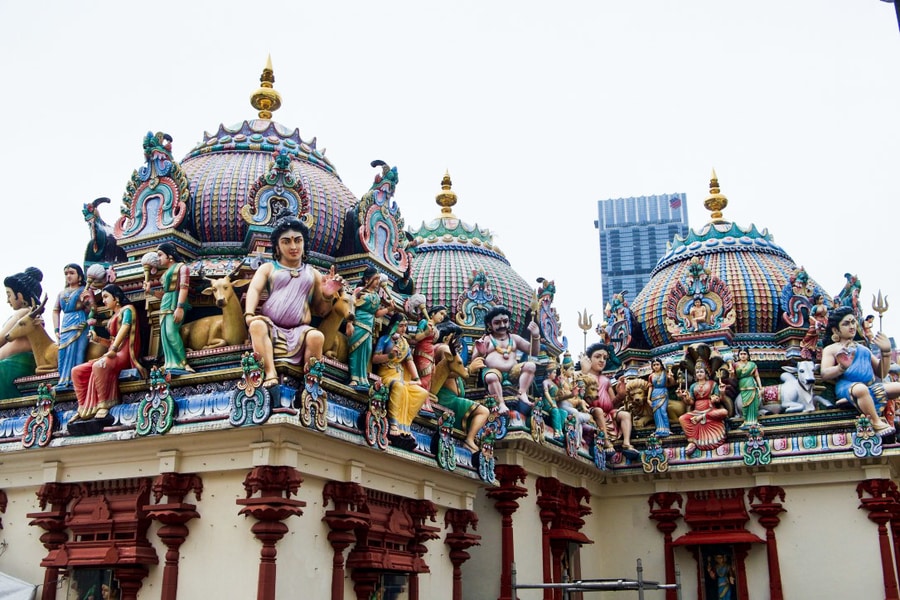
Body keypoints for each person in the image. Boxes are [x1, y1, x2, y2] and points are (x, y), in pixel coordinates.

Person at [243, 214, 342, 387]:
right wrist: (250, 314)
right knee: (256, 326)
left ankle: (310, 386)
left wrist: (328, 294)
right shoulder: (268, 268)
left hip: (300, 331)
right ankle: (270, 373)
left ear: (304, 243)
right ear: (277, 246)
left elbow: (322, 311)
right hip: (271, 326)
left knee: (317, 337)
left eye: (298, 240)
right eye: (286, 241)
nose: (293, 246)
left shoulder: (313, 274)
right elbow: (254, 289)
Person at [820, 306, 900, 437]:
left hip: (869, 386)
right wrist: (841, 367)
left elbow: (881, 373)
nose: (851, 326)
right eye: (846, 324)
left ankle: (864, 402)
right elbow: (824, 373)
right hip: (847, 386)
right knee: (860, 389)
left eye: (853, 322)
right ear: (836, 330)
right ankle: (876, 422)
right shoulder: (832, 349)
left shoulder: (863, 349)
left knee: (897, 387)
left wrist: (886, 352)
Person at [70, 285, 145, 422]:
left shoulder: (127, 310)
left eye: (106, 297)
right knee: (76, 371)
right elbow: (111, 341)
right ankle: (84, 408)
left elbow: (125, 328)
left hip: (123, 354)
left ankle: (104, 404)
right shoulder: (112, 317)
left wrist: (114, 349)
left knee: (99, 366)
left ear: (116, 298)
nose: (103, 301)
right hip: (113, 352)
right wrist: (97, 339)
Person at [470, 306, 540, 414]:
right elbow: (474, 361)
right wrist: (480, 352)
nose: (502, 325)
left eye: (505, 321)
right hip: (494, 371)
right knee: (491, 376)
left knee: (531, 366)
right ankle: (501, 403)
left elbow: (533, 351)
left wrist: (535, 336)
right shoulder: (487, 339)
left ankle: (522, 393)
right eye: (497, 323)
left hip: (513, 372)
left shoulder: (514, 338)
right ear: (490, 325)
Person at [431, 324, 490, 452]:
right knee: (483, 411)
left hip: (451, 398)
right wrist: (469, 369)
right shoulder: (443, 348)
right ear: (448, 338)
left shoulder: (443, 348)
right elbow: (446, 369)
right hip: (446, 398)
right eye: (457, 339)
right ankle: (469, 440)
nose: (459, 343)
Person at [372, 313, 429, 442]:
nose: (403, 329)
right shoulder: (385, 340)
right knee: (398, 386)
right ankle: (393, 424)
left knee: (422, 393)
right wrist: (389, 357)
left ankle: (405, 427)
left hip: (401, 377)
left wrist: (416, 379)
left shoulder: (404, 343)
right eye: (401, 326)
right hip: (386, 375)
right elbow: (375, 359)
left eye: (405, 326)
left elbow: (410, 361)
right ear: (394, 326)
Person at [144, 243, 193, 373]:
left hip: (175, 304)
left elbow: (184, 288)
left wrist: (180, 307)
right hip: (165, 305)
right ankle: (169, 363)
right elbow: (165, 294)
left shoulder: (182, 268)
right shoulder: (165, 274)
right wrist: (151, 292)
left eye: (160, 255)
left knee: (171, 333)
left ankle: (183, 363)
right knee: (164, 335)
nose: (158, 258)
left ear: (170, 256)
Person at [580, 342, 635, 452]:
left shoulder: (606, 380)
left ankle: (626, 443)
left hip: (609, 413)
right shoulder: (583, 375)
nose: (602, 360)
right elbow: (577, 393)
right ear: (588, 359)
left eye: (605, 358)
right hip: (591, 410)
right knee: (599, 411)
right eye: (597, 356)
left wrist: (620, 395)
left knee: (625, 414)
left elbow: (613, 403)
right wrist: (583, 372)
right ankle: (606, 441)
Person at [0, 267, 43, 399]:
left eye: (9, 295)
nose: (8, 300)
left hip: (14, 366)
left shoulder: (24, 313)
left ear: (19, 295)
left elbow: (2, 338)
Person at [347, 266, 391, 390]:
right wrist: (349, 323)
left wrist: (389, 309)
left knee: (366, 352)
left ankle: (363, 379)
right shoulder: (360, 290)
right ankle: (354, 378)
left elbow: (376, 313)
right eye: (376, 278)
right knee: (356, 351)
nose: (378, 282)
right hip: (358, 324)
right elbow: (352, 304)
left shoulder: (376, 296)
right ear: (367, 280)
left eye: (378, 279)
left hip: (369, 328)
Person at [677, 357, 728, 454]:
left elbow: (718, 399)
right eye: (697, 372)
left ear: (706, 373)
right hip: (696, 411)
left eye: (701, 371)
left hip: (709, 410)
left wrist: (721, 393)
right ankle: (692, 441)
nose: (699, 374)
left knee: (724, 412)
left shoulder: (712, 384)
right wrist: (684, 397)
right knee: (682, 419)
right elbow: (691, 402)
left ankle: (702, 417)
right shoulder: (693, 386)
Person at [53, 264, 90, 390]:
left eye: (71, 273)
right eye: (66, 273)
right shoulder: (61, 293)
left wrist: (87, 302)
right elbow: (55, 310)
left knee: (78, 353)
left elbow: (92, 309)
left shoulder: (84, 290)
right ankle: (63, 380)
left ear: (79, 276)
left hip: (80, 324)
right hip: (65, 326)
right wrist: (56, 329)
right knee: (62, 354)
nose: (68, 276)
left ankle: (77, 380)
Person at [413, 304, 448, 395]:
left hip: (430, 354)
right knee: (424, 378)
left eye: (444, 315)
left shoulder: (435, 328)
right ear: (433, 314)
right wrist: (426, 333)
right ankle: (419, 398)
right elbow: (416, 337)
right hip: (422, 353)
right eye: (441, 313)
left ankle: (425, 400)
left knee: (430, 379)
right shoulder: (424, 322)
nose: (442, 317)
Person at [732, 348, 762, 428]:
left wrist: (760, 387)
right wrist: (731, 372)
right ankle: (746, 421)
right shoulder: (735, 365)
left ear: (748, 355)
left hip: (752, 384)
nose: (743, 356)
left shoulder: (752, 364)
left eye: (744, 354)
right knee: (745, 404)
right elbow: (732, 377)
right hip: (742, 385)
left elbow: (757, 376)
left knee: (754, 404)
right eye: (741, 354)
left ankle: (754, 421)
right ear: (738, 355)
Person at [648, 358, 672, 437]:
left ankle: (667, 429)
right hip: (655, 394)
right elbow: (650, 387)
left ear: (661, 365)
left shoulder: (665, 373)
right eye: (654, 365)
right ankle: (659, 429)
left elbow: (672, 383)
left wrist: (670, 377)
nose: (655, 366)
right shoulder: (651, 376)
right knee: (656, 412)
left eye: (657, 364)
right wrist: (648, 399)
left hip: (663, 392)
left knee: (663, 410)